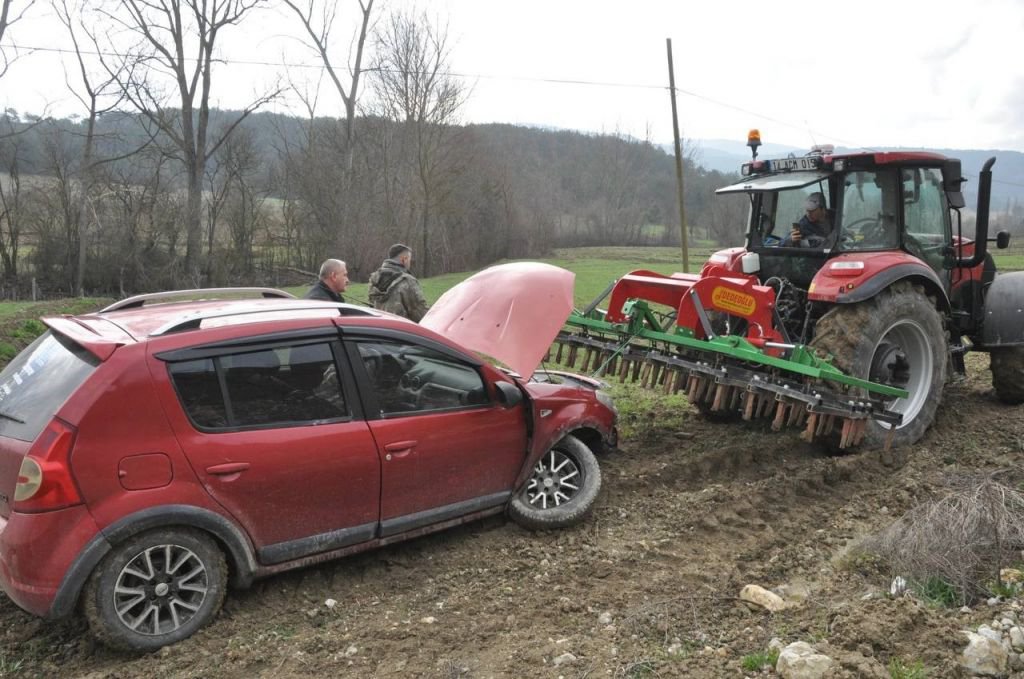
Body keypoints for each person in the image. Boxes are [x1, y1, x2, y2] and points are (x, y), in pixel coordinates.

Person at [368, 244, 429, 322]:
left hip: (380, 330)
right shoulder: (407, 281)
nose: (410, 263)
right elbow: (420, 314)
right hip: (402, 331)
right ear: (404, 259)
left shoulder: (374, 278)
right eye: (409, 260)